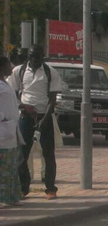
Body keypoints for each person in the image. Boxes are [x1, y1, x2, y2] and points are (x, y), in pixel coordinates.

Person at [9, 46, 66, 200]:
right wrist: (23, 106)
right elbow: (12, 94)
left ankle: (50, 188)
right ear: (28, 56)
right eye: (32, 56)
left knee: (48, 154)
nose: (35, 60)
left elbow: (52, 100)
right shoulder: (19, 71)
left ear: (43, 57)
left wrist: (44, 120)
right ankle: (23, 188)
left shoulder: (50, 72)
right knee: (22, 154)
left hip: (44, 116)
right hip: (25, 116)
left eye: (38, 57)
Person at [0, 56, 23, 207]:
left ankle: (12, 196)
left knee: (12, 167)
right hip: (3, 131)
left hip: (10, 130)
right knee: (3, 169)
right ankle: (2, 198)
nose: (11, 68)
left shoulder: (6, 83)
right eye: (8, 65)